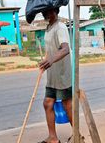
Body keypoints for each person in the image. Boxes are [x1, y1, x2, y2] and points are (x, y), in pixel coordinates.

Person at [39, 8, 72, 143]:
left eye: (48, 11)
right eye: (43, 12)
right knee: (47, 103)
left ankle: (77, 134)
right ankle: (53, 138)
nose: (45, 14)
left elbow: (65, 49)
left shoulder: (60, 27)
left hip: (62, 74)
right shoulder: (49, 28)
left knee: (67, 104)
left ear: (55, 11)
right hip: (52, 74)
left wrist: (51, 60)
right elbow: (51, 49)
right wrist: (46, 60)